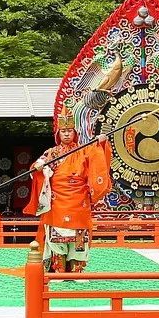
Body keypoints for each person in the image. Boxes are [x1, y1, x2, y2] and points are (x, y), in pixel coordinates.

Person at [24, 104, 112, 273]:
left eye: (69, 131)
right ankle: (60, 271)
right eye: (63, 131)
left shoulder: (84, 150)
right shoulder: (51, 153)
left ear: (75, 133)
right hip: (58, 203)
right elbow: (36, 166)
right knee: (58, 240)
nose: (66, 134)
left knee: (79, 239)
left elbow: (98, 161)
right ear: (58, 134)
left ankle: (77, 271)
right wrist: (39, 166)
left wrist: (101, 144)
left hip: (79, 202)